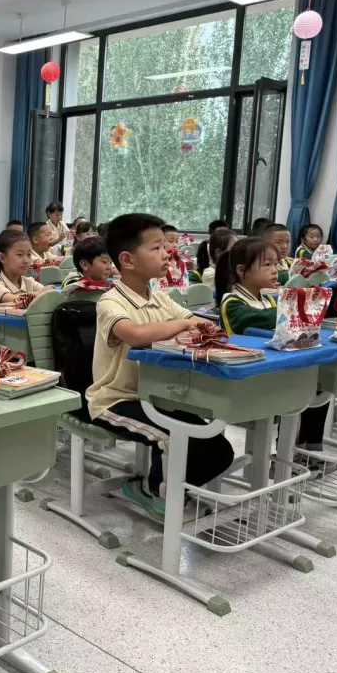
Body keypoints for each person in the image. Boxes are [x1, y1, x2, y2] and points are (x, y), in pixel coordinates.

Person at [86, 213, 233, 519]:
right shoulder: (110, 303)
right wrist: (182, 325)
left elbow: (194, 321)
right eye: (156, 248)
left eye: (166, 246)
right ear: (127, 260)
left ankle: (166, 487)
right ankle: (154, 491)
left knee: (217, 447)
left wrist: (203, 327)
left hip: (157, 395)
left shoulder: (160, 298)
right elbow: (135, 334)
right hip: (116, 399)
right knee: (174, 439)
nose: (167, 253)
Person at [218, 237, 328, 451]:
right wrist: (297, 300)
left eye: (276, 264)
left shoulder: (267, 299)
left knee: (316, 387)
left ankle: (306, 449)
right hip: (245, 379)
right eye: (267, 264)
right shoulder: (232, 303)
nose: (275, 270)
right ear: (242, 270)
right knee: (303, 390)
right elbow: (270, 318)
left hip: (271, 370)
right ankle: (291, 453)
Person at [0, 229, 48, 307]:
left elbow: (49, 291)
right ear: (2, 257)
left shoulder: (29, 282)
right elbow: (17, 299)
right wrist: (41, 294)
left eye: (28, 254)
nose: (26, 260)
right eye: (19, 255)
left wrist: (47, 291)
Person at [200, 228, 237, 296]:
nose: (238, 253)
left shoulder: (231, 270)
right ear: (218, 252)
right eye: (233, 249)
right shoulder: (211, 273)